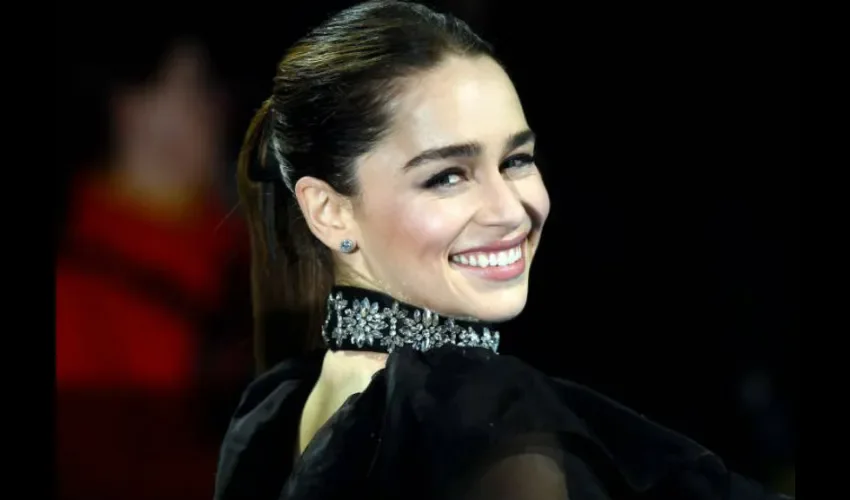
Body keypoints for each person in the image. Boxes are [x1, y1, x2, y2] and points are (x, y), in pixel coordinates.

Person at [214, 2, 793, 499]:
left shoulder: (276, 412)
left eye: (516, 161)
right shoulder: (480, 415)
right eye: (447, 176)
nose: (510, 210)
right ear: (329, 210)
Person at [57, 39, 252, 500]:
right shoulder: (74, 288)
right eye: (158, 86)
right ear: (120, 106)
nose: (186, 110)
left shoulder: (262, 253)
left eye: (202, 89)